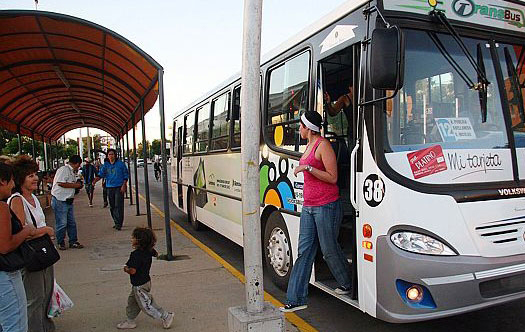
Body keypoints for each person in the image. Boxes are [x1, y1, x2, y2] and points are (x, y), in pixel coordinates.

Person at [280, 111, 352, 313]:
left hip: (326, 205)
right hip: (309, 207)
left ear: (308, 128)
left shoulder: (323, 145)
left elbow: (332, 177)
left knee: (329, 249)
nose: (299, 129)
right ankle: (296, 299)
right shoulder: (309, 146)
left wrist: (308, 168)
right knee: (304, 252)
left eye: (301, 126)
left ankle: (348, 283)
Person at [9, 155, 56, 332]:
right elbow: (20, 232)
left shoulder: (34, 198)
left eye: (35, 174)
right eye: (30, 175)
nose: (35, 178)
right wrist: (45, 231)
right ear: (20, 179)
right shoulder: (17, 200)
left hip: (43, 254)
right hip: (31, 256)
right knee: (35, 299)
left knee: (46, 296)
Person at [0, 161, 37, 332]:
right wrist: (26, 231)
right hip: (5, 276)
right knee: (15, 324)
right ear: (2, 181)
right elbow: (5, 246)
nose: (13, 184)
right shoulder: (2, 208)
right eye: (11, 180)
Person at [117, 227, 174, 329]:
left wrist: (126, 269)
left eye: (133, 237)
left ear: (139, 241)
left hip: (139, 285)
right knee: (132, 302)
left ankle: (166, 316)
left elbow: (133, 271)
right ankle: (130, 321)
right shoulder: (149, 250)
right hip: (145, 282)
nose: (131, 239)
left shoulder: (135, 255)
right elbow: (155, 254)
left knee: (147, 305)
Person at [51, 155, 84, 250]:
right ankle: (61, 241)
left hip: (68, 200)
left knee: (71, 223)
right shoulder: (64, 170)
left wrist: (78, 184)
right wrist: (75, 185)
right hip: (60, 200)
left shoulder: (73, 172)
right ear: (77, 163)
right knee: (62, 223)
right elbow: (61, 183)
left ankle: (73, 241)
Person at [93, 150, 128, 230]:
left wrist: (124, 185)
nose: (111, 156)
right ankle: (116, 221)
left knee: (118, 205)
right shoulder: (106, 165)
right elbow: (101, 174)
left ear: (115, 155)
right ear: (107, 156)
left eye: (112, 154)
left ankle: (119, 223)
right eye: (109, 154)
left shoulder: (120, 164)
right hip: (109, 187)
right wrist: (95, 181)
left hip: (119, 187)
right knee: (112, 206)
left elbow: (125, 175)